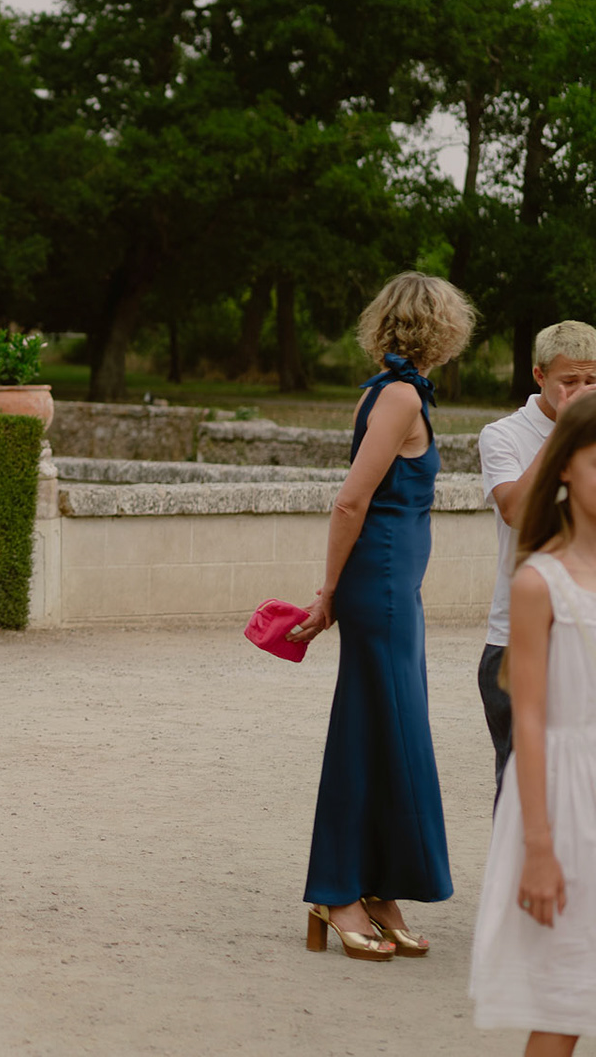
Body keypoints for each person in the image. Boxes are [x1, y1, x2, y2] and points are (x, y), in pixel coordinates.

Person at [290, 271, 475, 960]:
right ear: (444, 330)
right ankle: (337, 892)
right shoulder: (398, 396)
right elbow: (350, 500)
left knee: (383, 736)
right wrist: (329, 592)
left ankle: (375, 891)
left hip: (396, 591)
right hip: (383, 591)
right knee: (377, 736)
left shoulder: (390, 391)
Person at [470, 396, 596, 1052]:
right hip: (569, 809)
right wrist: (540, 850)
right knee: (565, 999)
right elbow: (531, 718)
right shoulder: (540, 583)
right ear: (564, 466)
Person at [478, 323, 596, 796]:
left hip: (587, 626)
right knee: (521, 785)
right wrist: (566, 433)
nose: (583, 391)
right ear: (539, 376)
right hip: (517, 637)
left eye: (592, 381)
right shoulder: (503, 435)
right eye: (570, 382)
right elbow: (517, 513)